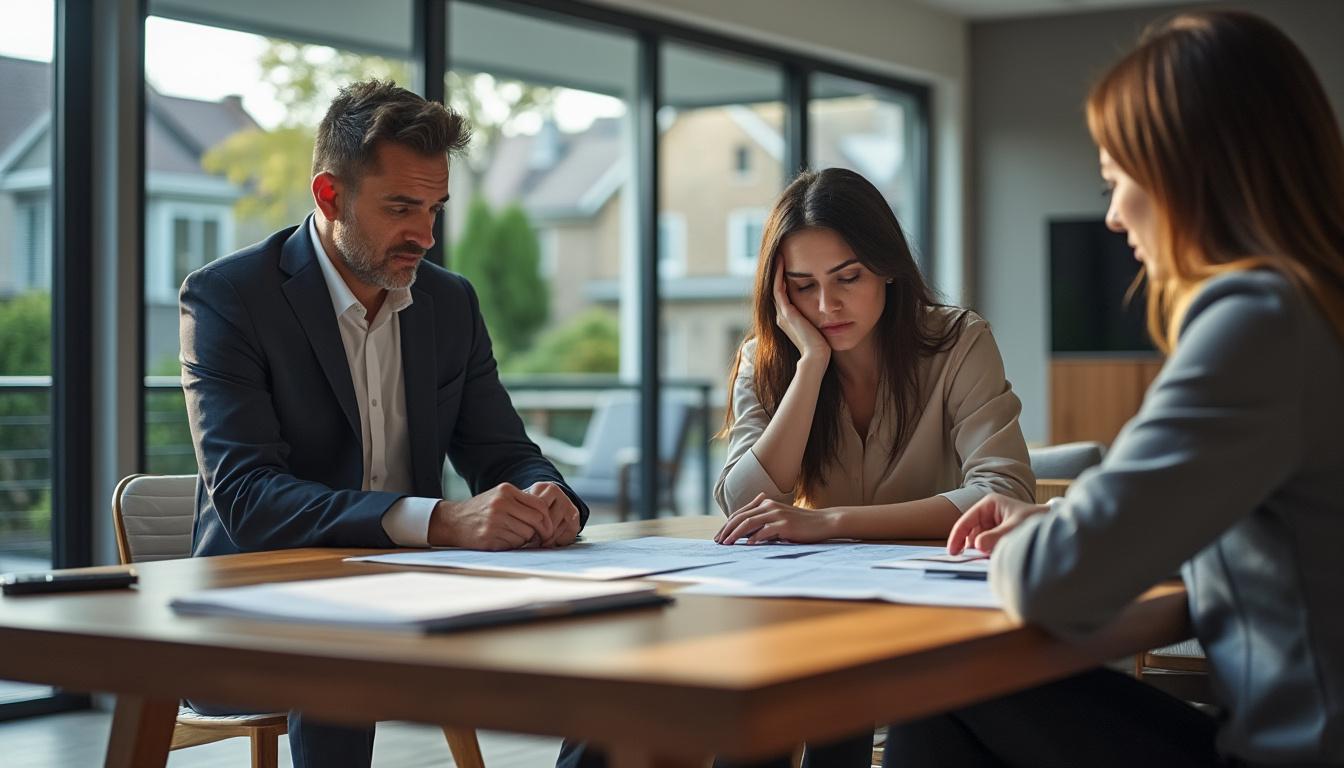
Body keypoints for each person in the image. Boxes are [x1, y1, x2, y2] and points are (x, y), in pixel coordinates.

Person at [885, 11, 1344, 768]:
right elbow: (1211, 509)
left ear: (1186, 175)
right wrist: (1057, 515)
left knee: (936, 683)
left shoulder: (1258, 321)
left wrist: (1039, 537)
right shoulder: (1315, 309)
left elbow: (1054, 580)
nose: (1112, 215)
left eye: (1117, 182)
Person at [179, 80, 588, 768]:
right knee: (340, 651)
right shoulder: (230, 298)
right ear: (329, 196)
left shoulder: (449, 303)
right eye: (401, 207)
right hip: (256, 606)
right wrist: (439, 520)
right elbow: (248, 498)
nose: (426, 236)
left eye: (434, 208)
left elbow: (504, 453)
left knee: (615, 639)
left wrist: (552, 499)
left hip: (412, 592)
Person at [714, 167, 1034, 549]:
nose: (825, 305)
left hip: (938, 584)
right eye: (803, 286)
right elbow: (742, 506)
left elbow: (1006, 495)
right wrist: (811, 365)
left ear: (886, 268)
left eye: (848, 278)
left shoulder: (959, 342)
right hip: (816, 589)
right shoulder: (764, 359)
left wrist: (832, 521)